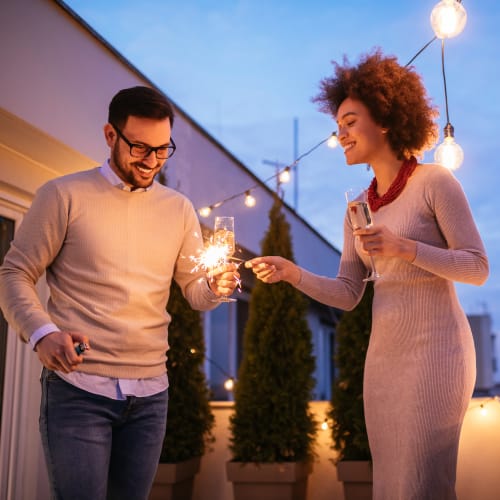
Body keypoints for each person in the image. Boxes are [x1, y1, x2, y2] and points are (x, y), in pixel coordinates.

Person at [245, 50, 488, 499]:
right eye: (338, 123)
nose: (341, 132)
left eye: (351, 120)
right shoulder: (357, 207)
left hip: (437, 355)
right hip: (384, 362)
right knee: (392, 487)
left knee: (423, 487)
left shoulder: (434, 182)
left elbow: (477, 267)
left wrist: (405, 248)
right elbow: (349, 292)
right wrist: (293, 273)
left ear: (388, 121)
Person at [0, 85, 239, 500]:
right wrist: (42, 333)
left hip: (151, 396)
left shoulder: (179, 209)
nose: (152, 161)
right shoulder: (63, 196)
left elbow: (193, 291)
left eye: (163, 150)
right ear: (111, 136)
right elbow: (14, 272)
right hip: (78, 391)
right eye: (140, 148)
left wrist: (214, 288)